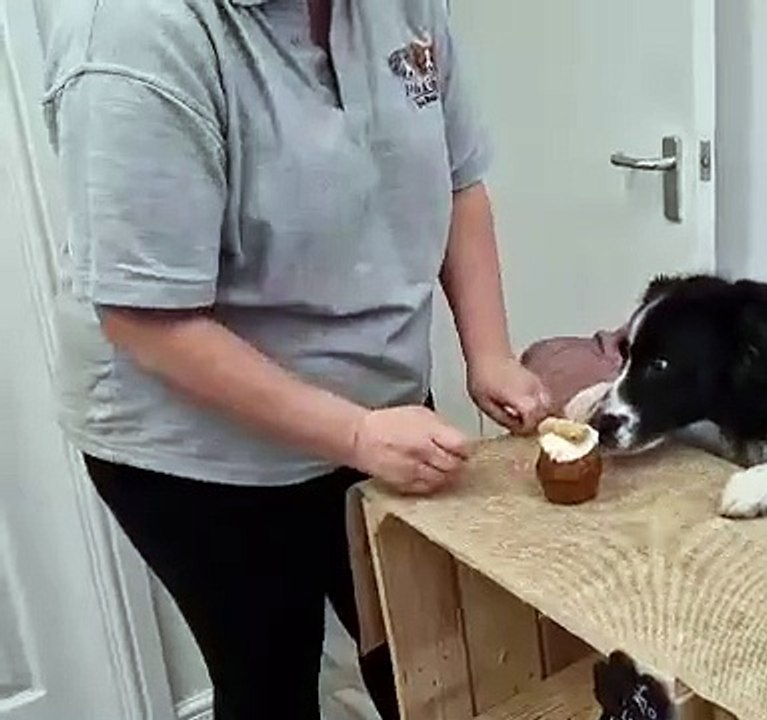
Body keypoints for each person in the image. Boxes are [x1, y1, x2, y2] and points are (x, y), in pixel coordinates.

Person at [42, 0, 550, 717]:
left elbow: (460, 182)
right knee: (270, 679)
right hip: (200, 450)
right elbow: (146, 319)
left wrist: (489, 353)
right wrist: (354, 436)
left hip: (381, 405)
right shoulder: (132, 35)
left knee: (430, 657)